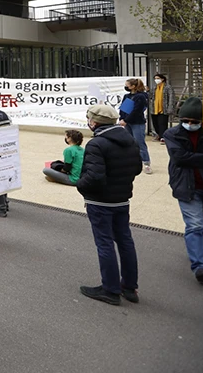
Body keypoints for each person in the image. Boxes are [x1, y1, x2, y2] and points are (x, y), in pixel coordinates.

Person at [76, 104, 141, 306]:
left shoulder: (97, 144)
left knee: (104, 243)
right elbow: (137, 168)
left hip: (100, 200)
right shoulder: (129, 139)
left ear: (94, 122)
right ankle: (129, 287)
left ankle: (110, 289)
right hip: (122, 198)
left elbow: (94, 176)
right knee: (125, 241)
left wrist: (80, 184)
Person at [162, 97, 203, 284]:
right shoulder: (172, 134)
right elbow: (179, 158)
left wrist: (192, 157)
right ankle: (199, 264)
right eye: (186, 121)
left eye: (194, 122)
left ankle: (201, 250)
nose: (189, 125)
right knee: (195, 225)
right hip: (185, 185)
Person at [119, 78, 151, 174]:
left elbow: (137, 111)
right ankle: (131, 161)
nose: (126, 87)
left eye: (127, 85)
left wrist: (126, 120)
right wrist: (122, 118)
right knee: (129, 142)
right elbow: (123, 109)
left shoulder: (140, 96)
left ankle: (146, 163)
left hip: (137, 123)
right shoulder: (127, 96)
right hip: (127, 122)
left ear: (133, 86)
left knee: (140, 143)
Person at [150, 73, 175, 142]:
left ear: (162, 79)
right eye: (155, 79)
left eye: (158, 78)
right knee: (155, 123)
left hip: (164, 108)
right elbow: (151, 97)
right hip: (155, 108)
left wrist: (170, 107)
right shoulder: (154, 88)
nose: (156, 80)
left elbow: (171, 98)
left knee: (162, 123)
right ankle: (158, 135)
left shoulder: (168, 87)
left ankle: (163, 137)